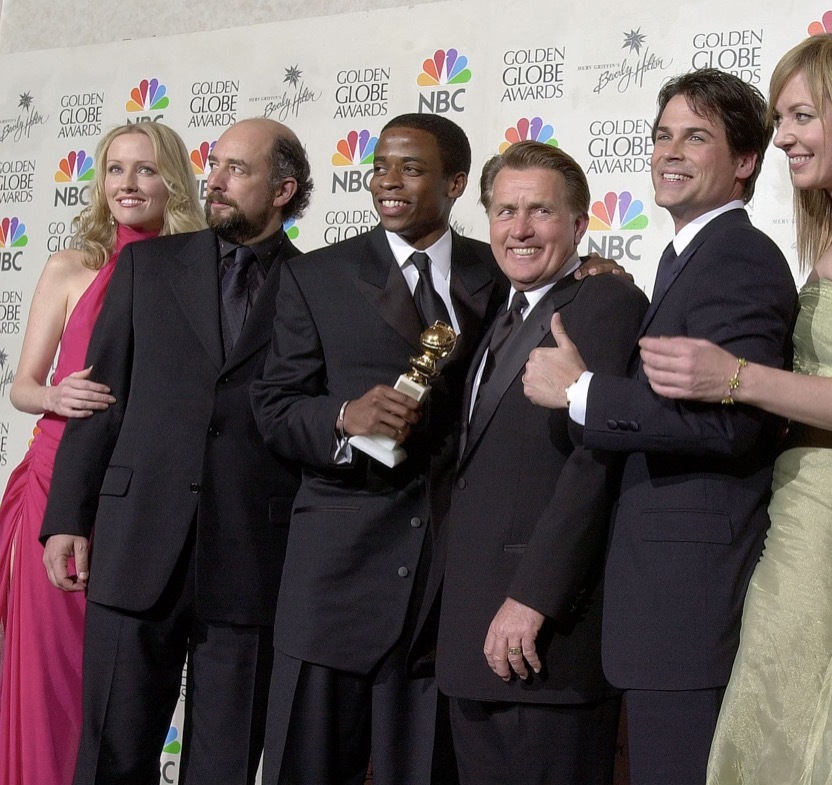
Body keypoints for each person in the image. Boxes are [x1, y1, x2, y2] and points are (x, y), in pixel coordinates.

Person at [637, 34, 832, 784]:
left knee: (804, 722)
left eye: (802, 116)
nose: (783, 136)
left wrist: (737, 377)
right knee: (784, 714)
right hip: (806, 493)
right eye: (782, 118)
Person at [524, 68, 796, 785]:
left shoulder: (738, 256)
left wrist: (582, 391)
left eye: (696, 136)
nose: (670, 151)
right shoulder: (688, 258)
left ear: (744, 163)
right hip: (661, 599)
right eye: (662, 135)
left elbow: (729, 425)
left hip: (691, 597)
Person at [40, 117, 313, 785]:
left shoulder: (322, 285)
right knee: (112, 754)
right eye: (213, 165)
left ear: (283, 189)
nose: (213, 180)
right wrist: (67, 516)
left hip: (253, 555)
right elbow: (98, 396)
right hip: (136, 542)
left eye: (236, 170)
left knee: (223, 764)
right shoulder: (146, 265)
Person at [251, 112, 505, 785]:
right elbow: (274, 408)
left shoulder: (499, 272)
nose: (387, 182)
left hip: (445, 585)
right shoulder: (320, 276)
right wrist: (342, 417)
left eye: (411, 168)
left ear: (455, 182)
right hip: (334, 580)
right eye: (380, 166)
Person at [428, 140, 646, 785]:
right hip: (473, 630)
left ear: (580, 225)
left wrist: (532, 597)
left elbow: (594, 463)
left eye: (540, 212)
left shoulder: (604, 304)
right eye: (504, 211)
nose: (519, 229)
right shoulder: (494, 312)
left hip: (543, 637)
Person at [0, 122, 203, 785]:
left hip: (145, 499)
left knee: (118, 685)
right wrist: (54, 395)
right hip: (56, 484)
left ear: (170, 178)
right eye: (115, 170)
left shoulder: (199, 269)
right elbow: (23, 385)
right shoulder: (70, 266)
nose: (127, 184)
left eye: (144, 170)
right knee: (53, 674)